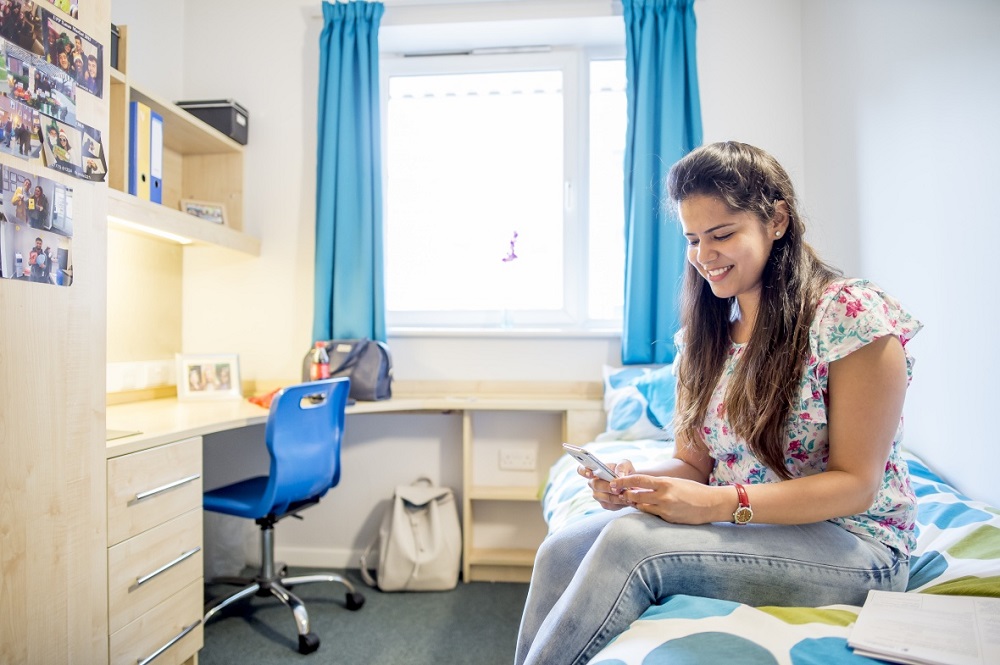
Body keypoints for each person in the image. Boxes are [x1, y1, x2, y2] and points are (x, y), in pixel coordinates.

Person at [515, 141, 922, 665]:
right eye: (692, 239)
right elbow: (693, 462)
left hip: (856, 545)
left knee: (632, 548)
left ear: (776, 220)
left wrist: (723, 502)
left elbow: (857, 485)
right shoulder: (705, 336)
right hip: (748, 524)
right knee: (561, 550)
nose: (704, 257)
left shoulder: (849, 316)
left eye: (722, 234)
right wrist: (637, 482)